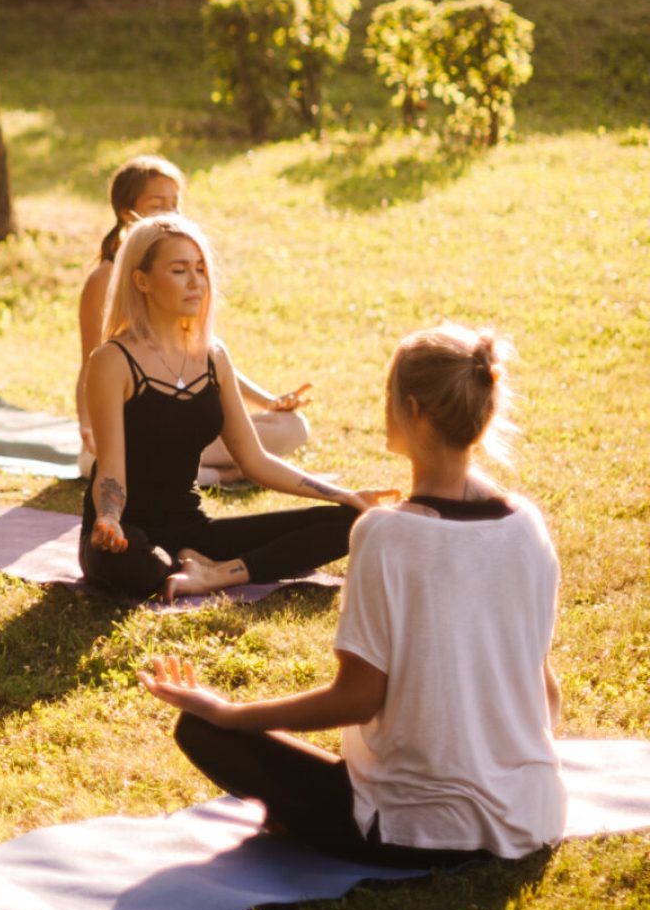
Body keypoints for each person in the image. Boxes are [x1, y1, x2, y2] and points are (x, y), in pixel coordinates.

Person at [141, 324, 565, 865]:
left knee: (200, 728)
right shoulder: (528, 525)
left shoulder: (386, 534)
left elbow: (357, 698)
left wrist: (228, 712)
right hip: (533, 816)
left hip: (414, 829)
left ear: (411, 409)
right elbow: (545, 692)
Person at [81, 212, 389, 600]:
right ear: (141, 280)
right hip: (126, 530)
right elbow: (110, 468)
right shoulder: (113, 359)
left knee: (350, 522)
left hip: (192, 528)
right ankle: (188, 566)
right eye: (179, 271)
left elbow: (254, 460)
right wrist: (108, 519)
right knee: (144, 569)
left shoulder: (213, 356)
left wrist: (341, 494)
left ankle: (218, 573)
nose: (196, 282)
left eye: (200, 269)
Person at [76, 155, 310, 480]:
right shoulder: (104, 280)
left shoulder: (183, 281)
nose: (170, 214)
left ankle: (211, 470)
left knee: (293, 427)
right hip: (134, 437)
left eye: (175, 204)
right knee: (110, 464)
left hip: (182, 424)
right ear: (126, 212)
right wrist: (88, 428)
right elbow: (91, 364)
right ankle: (221, 473)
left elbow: (201, 359)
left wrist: (269, 402)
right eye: (158, 204)